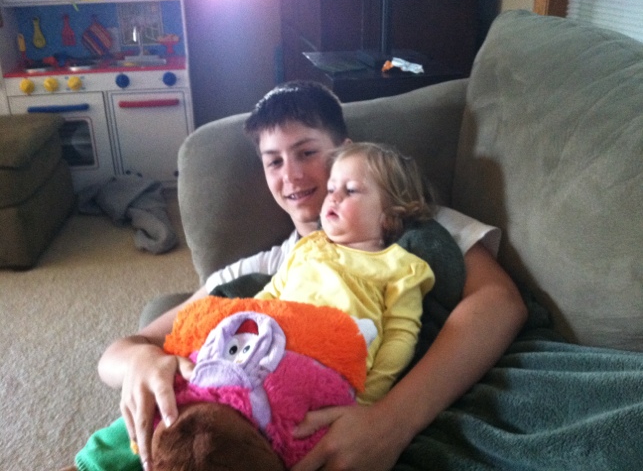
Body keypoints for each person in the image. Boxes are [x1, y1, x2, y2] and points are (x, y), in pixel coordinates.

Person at [94, 81, 527, 471]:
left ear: (343, 152)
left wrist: (390, 421)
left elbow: (499, 301)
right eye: (273, 162)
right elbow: (122, 351)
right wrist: (140, 361)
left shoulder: (409, 221)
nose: (291, 176)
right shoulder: (262, 268)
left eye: (306, 153)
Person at [255, 142, 435, 404]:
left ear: (390, 214)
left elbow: (400, 337)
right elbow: (269, 295)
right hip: (266, 356)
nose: (333, 197)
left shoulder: (401, 268)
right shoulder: (308, 246)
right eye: (331, 189)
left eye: (350, 190)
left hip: (330, 379)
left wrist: (368, 399)